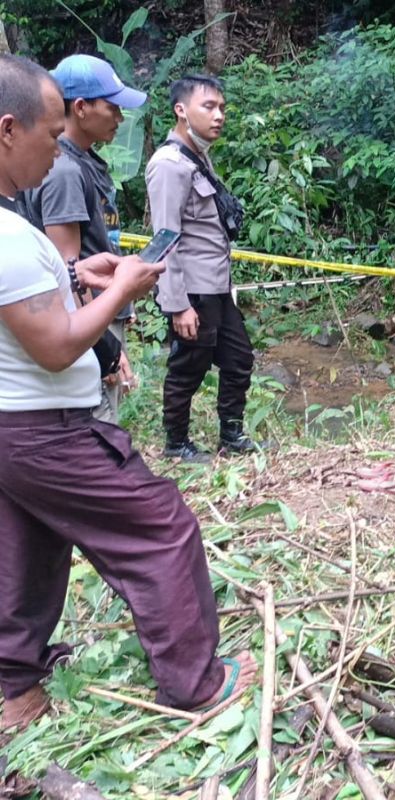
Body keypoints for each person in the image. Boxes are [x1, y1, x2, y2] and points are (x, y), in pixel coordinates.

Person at [0, 55, 255, 735]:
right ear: (6, 131)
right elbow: (53, 345)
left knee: (28, 546)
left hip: (15, 432)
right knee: (161, 527)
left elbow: (26, 294)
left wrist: (81, 271)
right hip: (45, 428)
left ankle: (14, 687)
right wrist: (121, 291)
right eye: (48, 135)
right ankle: (197, 684)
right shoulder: (7, 235)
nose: (55, 152)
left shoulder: (8, 224)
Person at [20, 54, 144, 423]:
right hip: (88, 324)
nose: (120, 119)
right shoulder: (65, 173)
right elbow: (69, 270)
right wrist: (102, 346)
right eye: (112, 108)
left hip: (100, 313)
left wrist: (123, 305)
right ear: (81, 107)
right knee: (100, 423)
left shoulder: (80, 164)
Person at [146, 74, 257, 462]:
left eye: (222, 107)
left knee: (239, 357)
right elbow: (165, 240)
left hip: (216, 286)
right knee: (188, 368)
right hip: (191, 289)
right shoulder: (169, 165)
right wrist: (177, 305)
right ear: (181, 110)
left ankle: (231, 435)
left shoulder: (198, 156)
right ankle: (176, 444)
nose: (219, 115)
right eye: (208, 106)